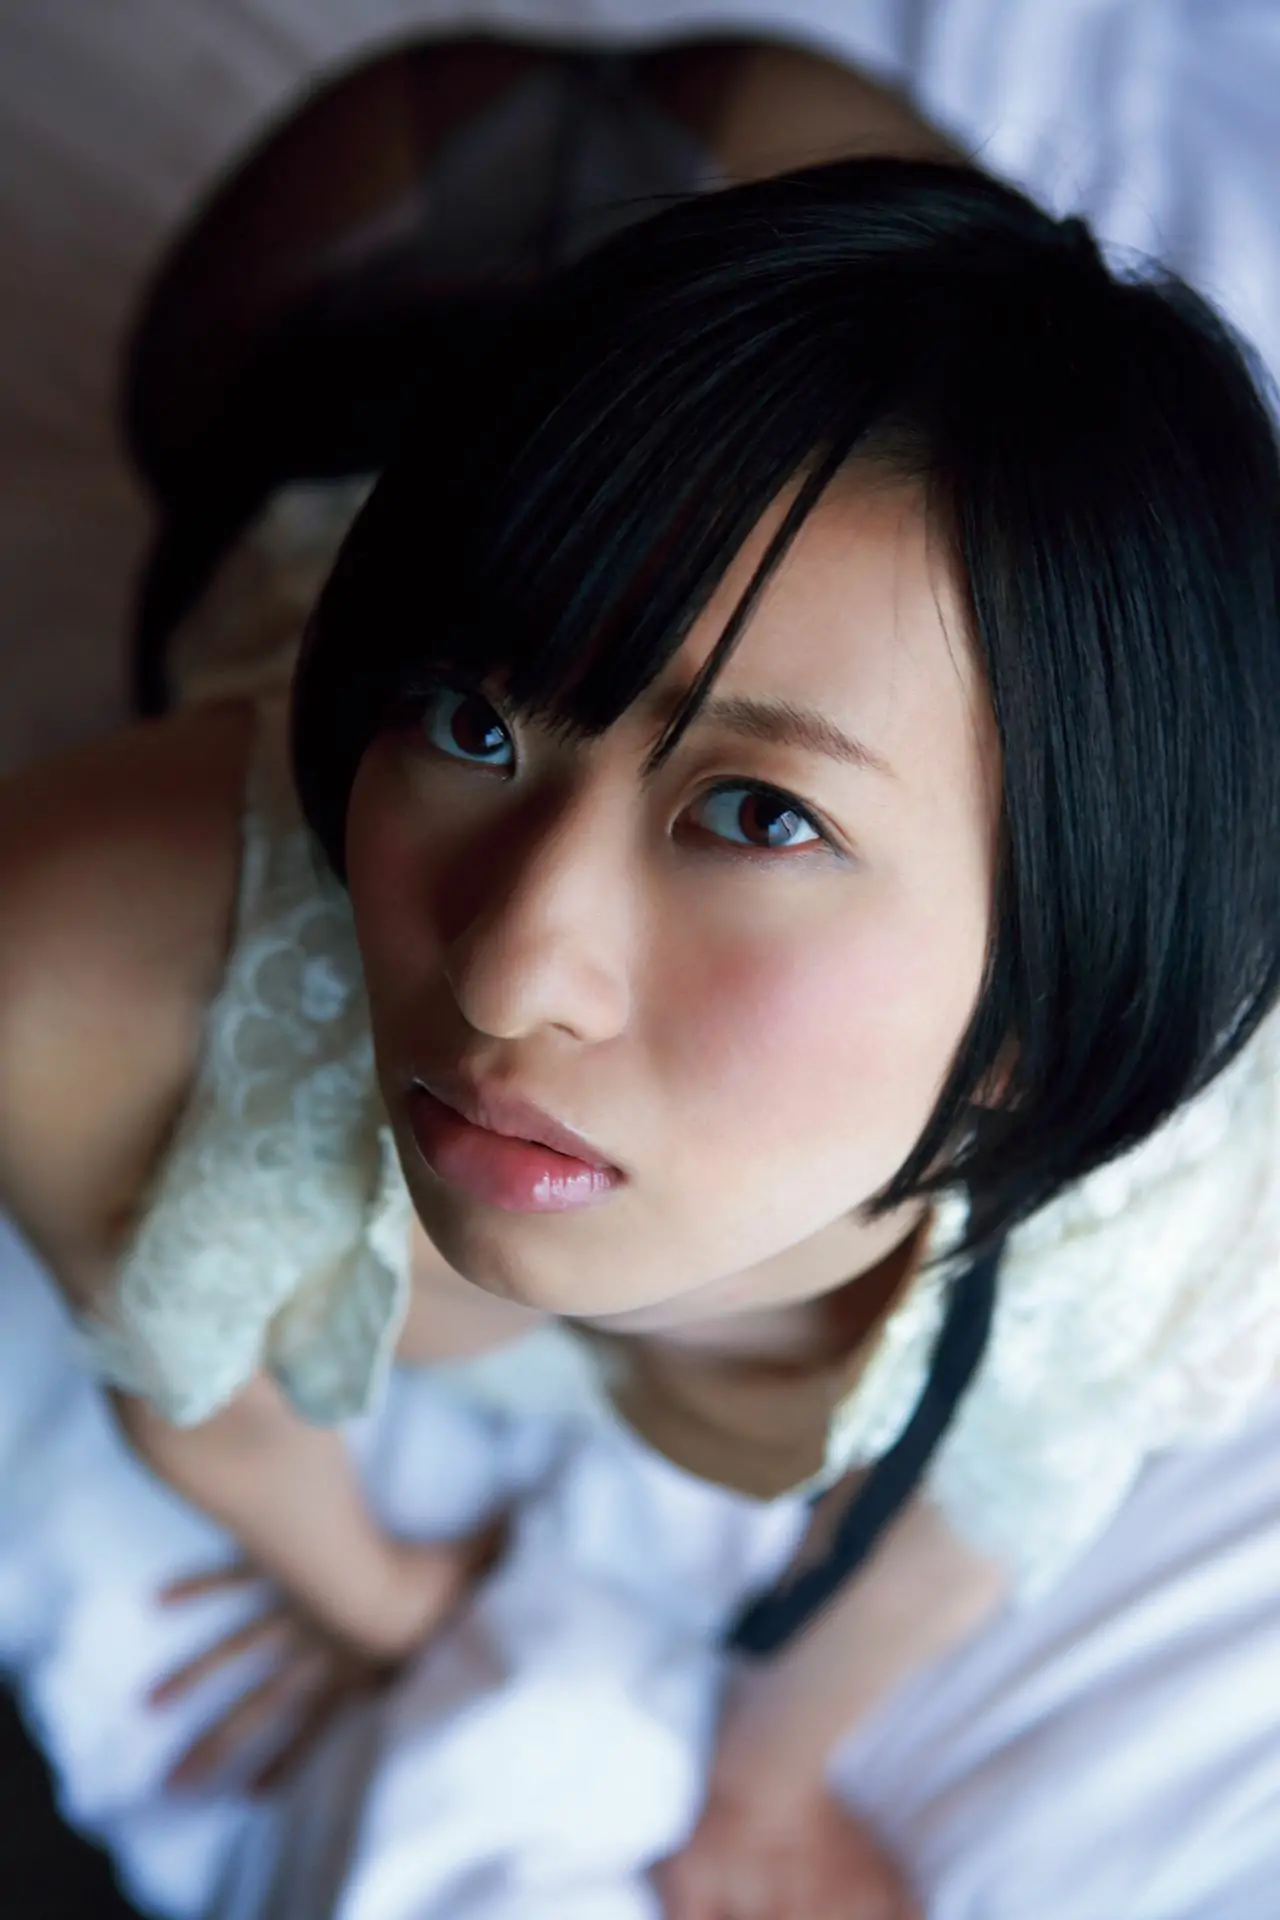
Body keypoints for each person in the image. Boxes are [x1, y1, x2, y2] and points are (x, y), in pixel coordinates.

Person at [3, 43, 1280, 1920]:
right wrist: (397, 1609)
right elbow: (212, 1411)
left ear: (1053, 990)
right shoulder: (76, 969)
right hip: (362, 290)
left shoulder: (1190, 1196)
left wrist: (766, 1783)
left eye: (760, 816)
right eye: (466, 725)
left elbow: (983, 1513)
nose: (507, 964)